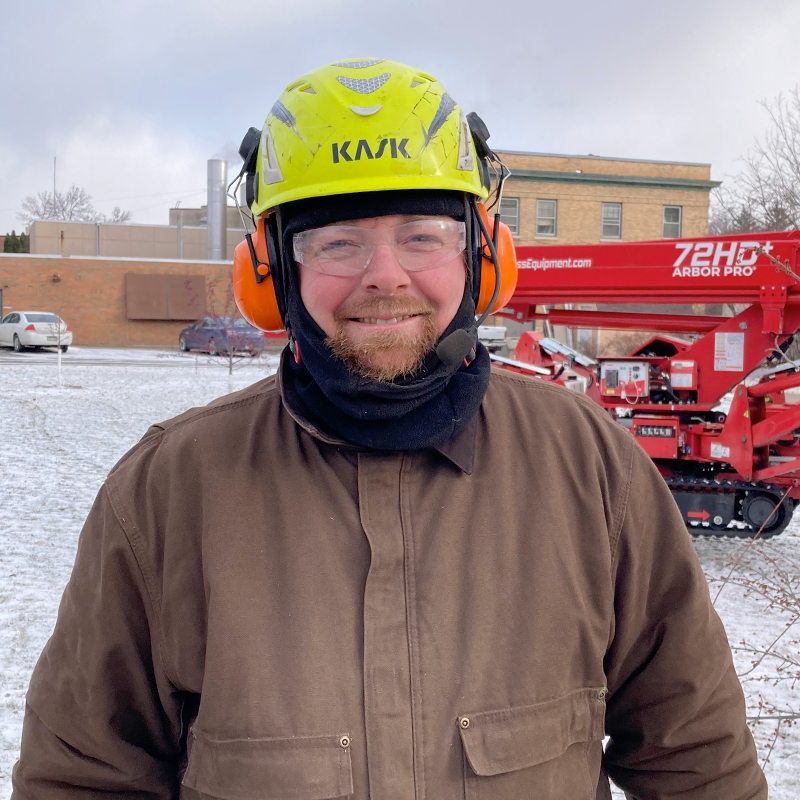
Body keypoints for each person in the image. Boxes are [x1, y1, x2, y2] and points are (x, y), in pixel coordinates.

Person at [13, 58, 766, 799]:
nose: (385, 274)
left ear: (479, 255)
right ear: (273, 272)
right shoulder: (166, 494)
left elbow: (699, 760)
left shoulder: (589, 464)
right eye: (336, 241)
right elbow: (83, 780)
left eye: (423, 234)